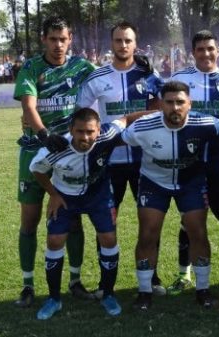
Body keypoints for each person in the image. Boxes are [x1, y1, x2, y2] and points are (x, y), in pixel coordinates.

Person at [121, 81, 219, 310]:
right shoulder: (144, 127)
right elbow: (114, 138)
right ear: (161, 104)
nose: (175, 107)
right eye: (169, 102)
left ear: (190, 104)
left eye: (180, 102)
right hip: (153, 183)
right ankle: (144, 292)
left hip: (191, 183)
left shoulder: (204, 122)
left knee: (198, 232)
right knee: (147, 235)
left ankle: (203, 289)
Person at [75, 21, 166, 296]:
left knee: (149, 223)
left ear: (135, 43)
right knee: (106, 224)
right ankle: (106, 284)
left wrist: (135, 116)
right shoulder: (97, 77)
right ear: (111, 44)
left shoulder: (150, 76)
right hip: (108, 163)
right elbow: (81, 117)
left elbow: (163, 108)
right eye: (118, 41)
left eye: (128, 40)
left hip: (145, 161)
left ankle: (151, 277)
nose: (123, 45)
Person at [12, 16, 97, 308]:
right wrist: (45, 134)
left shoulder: (82, 67)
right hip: (34, 150)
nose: (58, 45)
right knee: (30, 220)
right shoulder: (32, 67)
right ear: (43, 39)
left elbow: (111, 78)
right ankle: (27, 285)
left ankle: (74, 281)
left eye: (63, 39)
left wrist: (139, 64)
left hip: (69, 155)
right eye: (52, 39)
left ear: (70, 38)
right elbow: (28, 105)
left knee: (71, 218)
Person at [166, 30, 219, 295]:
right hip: (188, 158)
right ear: (193, 53)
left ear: (218, 51)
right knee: (188, 219)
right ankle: (183, 275)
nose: (206, 53)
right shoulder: (180, 78)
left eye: (210, 48)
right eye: (200, 49)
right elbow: (165, 108)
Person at [30, 108, 127, 320]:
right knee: (55, 240)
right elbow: (36, 168)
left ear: (98, 129)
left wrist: (157, 112)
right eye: (80, 131)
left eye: (90, 131)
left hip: (98, 195)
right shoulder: (56, 148)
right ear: (70, 130)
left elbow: (126, 118)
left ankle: (108, 294)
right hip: (66, 197)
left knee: (109, 238)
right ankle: (54, 299)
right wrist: (53, 195)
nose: (85, 137)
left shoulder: (108, 135)